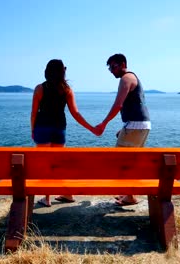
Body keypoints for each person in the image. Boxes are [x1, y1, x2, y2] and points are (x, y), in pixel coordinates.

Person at [31, 59, 97, 207]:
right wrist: (92, 128)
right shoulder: (67, 90)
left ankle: (46, 198)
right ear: (63, 72)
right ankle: (67, 193)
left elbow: (34, 113)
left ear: (47, 71)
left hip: (42, 128)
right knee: (58, 163)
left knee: (45, 164)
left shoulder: (40, 88)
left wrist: (32, 130)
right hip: (59, 129)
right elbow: (76, 114)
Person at [95, 53, 151, 206]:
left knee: (120, 162)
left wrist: (103, 123)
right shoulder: (133, 78)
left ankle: (130, 196)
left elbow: (118, 104)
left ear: (123, 64)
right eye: (110, 68)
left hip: (135, 126)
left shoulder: (126, 78)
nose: (112, 70)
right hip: (141, 125)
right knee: (130, 161)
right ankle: (128, 194)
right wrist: (124, 128)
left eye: (114, 66)